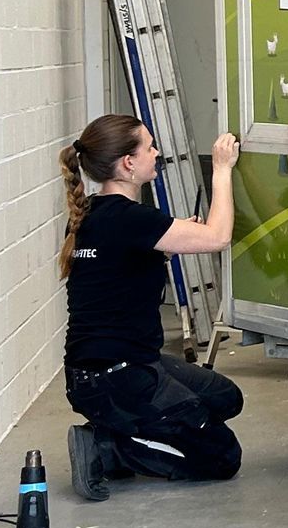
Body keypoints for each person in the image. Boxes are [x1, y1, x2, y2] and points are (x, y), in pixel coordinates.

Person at [59, 114, 244, 498]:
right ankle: (109, 449)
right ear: (128, 163)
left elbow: (125, 261)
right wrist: (222, 169)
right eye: (149, 147)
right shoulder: (131, 219)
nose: (156, 153)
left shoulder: (92, 214)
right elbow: (219, 237)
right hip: (120, 379)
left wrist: (171, 237)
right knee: (223, 457)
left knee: (226, 398)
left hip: (98, 374)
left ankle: (126, 427)